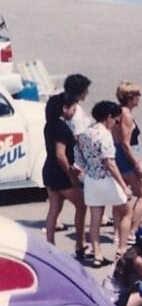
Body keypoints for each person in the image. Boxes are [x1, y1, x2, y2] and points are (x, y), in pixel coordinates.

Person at [76, 101, 132, 267]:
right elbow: (109, 162)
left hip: (91, 180)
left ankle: (97, 254)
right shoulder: (105, 134)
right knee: (126, 211)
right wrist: (123, 185)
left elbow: (79, 155)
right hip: (107, 179)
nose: (116, 124)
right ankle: (121, 249)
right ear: (109, 117)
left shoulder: (86, 132)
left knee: (95, 219)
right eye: (116, 120)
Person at [42, 93, 87, 261]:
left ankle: (50, 245)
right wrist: (71, 176)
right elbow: (61, 155)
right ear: (64, 108)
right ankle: (80, 244)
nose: (74, 112)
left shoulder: (49, 125)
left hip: (49, 170)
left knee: (54, 209)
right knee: (81, 205)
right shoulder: (61, 127)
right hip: (61, 172)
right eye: (73, 108)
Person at [114, 81, 142, 225]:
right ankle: (132, 229)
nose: (139, 97)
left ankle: (119, 230)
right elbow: (126, 144)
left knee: (120, 195)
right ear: (130, 97)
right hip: (127, 157)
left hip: (118, 155)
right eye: (137, 95)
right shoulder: (126, 115)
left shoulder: (116, 113)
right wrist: (137, 164)